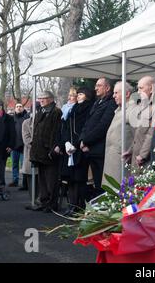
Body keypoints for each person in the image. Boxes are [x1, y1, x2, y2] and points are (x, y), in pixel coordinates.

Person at [59, 87, 94, 216]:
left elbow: (88, 127)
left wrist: (78, 142)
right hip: (71, 149)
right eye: (78, 94)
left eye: (81, 94)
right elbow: (67, 127)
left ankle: (80, 205)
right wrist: (66, 143)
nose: (78, 96)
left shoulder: (89, 108)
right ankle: (72, 204)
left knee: (80, 179)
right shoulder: (74, 109)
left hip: (81, 147)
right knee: (71, 178)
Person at [79, 78, 117, 197]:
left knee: (101, 184)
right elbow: (88, 123)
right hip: (90, 148)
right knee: (95, 183)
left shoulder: (111, 103)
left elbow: (102, 126)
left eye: (99, 85)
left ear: (107, 88)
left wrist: (86, 141)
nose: (95, 88)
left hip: (99, 149)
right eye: (96, 85)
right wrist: (81, 140)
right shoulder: (97, 102)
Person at [29, 91, 62, 213]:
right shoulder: (40, 111)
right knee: (42, 178)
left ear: (51, 99)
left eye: (44, 98)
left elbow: (56, 132)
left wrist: (52, 149)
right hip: (39, 151)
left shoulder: (56, 112)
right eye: (40, 98)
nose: (41, 100)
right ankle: (44, 201)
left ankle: (52, 203)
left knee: (51, 179)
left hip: (49, 151)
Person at [103, 82, 135, 183]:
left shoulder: (132, 110)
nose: (113, 96)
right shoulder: (119, 110)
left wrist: (130, 151)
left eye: (116, 93)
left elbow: (138, 136)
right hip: (112, 160)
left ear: (127, 94)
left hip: (121, 161)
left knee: (119, 192)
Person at [124, 76, 155, 169]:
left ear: (152, 88)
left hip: (145, 158)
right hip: (137, 154)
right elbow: (139, 132)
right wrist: (130, 151)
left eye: (141, 88)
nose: (138, 92)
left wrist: (143, 154)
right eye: (138, 88)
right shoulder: (143, 105)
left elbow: (151, 133)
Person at [0, 100, 15, 189]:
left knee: (1, 166)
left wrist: (11, 145)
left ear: (0, 107)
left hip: (4, 146)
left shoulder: (9, 118)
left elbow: (12, 132)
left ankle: (1, 184)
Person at [10, 103, 30, 188]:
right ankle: (15, 181)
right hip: (14, 146)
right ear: (15, 108)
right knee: (14, 164)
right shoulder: (12, 118)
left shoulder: (26, 118)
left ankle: (25, 184)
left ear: (23, 108)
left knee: (24, 165)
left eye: (20, 106)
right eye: (17, 106)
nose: (18, 108)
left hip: (23, 146)